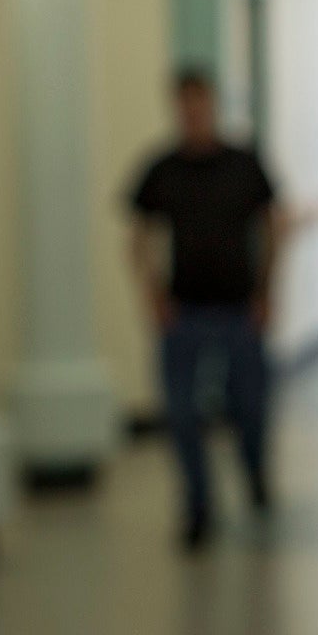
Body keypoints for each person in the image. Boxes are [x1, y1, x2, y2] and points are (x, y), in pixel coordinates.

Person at [127, 68, 282, 551]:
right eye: (184, 104)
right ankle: (198, 504)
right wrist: (153, 296)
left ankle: (254, 470)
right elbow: (139, 237)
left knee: (250, 406)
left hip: (238, 309)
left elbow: (273, 226)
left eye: (201, 103)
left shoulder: (243, 164)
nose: (193, 113)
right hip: (186, 311)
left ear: (213, 105)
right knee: (181, 413)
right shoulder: (162, 169)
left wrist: (266, 291)